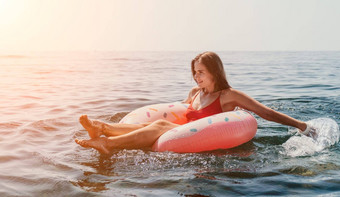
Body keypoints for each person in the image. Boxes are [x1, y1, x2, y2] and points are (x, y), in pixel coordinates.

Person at [75, 51, 316, 154]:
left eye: (200, 72)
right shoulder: (195, 92)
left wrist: (300, 125)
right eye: (194, 72)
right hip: (179, 134)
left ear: (214, 72)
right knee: (154, 126)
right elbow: (177, 113)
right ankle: (102, 128)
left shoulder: (229, 95)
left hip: (201, 136)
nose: (196, 76)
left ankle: (108, 143)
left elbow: (265, 112)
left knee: (158, 127)